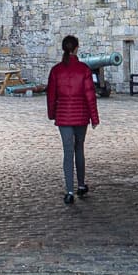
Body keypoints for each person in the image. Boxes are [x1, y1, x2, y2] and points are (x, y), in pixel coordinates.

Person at [45, 34, 98, 206]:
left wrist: (52, 113)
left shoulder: (56, 70)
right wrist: (94, 117)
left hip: (64, 116)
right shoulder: (84, 69)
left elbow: (51, 96)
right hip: (81, 115)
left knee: (67, 152)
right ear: (76, 48)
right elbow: (90, 95)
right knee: (79, 149)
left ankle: (69, 191)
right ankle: (81, 185)